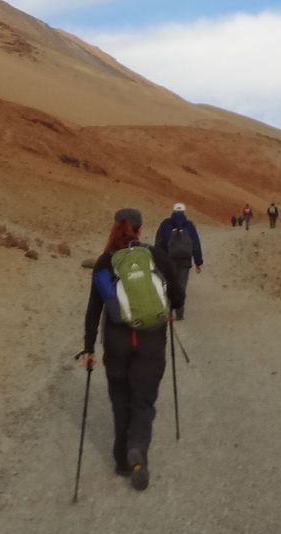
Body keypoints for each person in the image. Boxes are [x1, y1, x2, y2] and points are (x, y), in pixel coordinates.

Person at [79, 208, 184, 491]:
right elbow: (178, 292)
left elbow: (94, 308)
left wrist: (88, 348)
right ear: (139, 228)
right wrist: (171, 308)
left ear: (115, 227)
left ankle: (121, 459)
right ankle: (137, 451)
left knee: (121, 399)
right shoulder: (154, 255)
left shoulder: (104, 261)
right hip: (150, 341)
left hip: (116, 344)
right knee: (143, 401)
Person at [154, 202, 203, 319]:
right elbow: (196, 243)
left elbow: (159, 242)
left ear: (173, 211)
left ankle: (169, 312)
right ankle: (180, 313)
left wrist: (157, 260)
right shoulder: (189, 225)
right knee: (181, 286)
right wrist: (198, 262)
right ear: (184, 212)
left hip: (168, 260)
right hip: (185, 261)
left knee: (169, 284)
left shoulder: (165, 224)